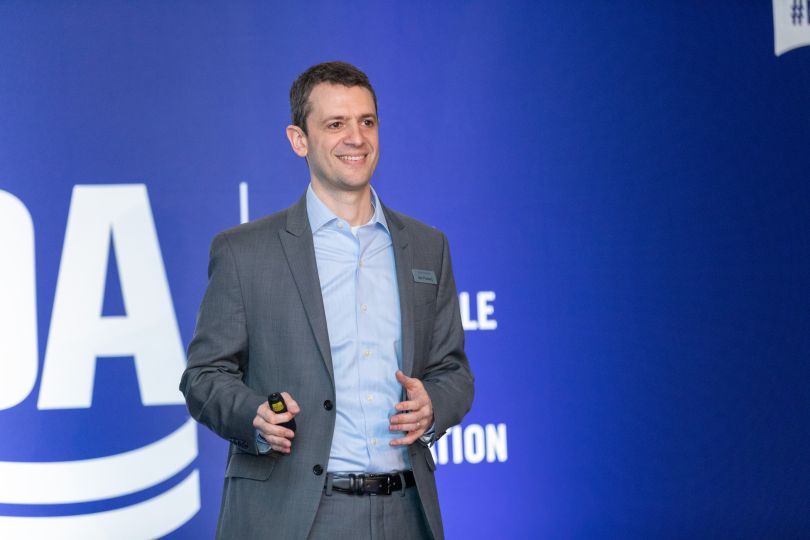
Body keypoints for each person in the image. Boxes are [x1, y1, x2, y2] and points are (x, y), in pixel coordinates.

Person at [180, 61, 474, 540]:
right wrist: (253, 414)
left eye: (367, 122)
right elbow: (203, 376)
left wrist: (433, 404)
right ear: (299, 140)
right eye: (335, 124)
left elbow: (453, 372)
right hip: (295, 515)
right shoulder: (244, 251)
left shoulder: (427, 246)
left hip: (406, 511)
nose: (355, 138)